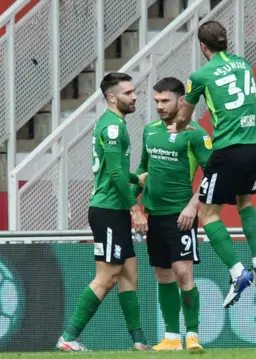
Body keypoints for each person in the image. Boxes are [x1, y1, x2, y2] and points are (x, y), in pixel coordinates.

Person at [169, 20, 256, 308]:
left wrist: (175, 127)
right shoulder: (244, 64)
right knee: (245, 204)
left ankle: (238, 272)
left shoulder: (200, 75)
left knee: (208, 213)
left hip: (228, 150)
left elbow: (184, 117)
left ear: (203, 46)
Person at [57, 72, 150, 352]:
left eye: (134, 92)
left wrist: (136, 180)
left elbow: (118, 172)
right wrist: (135, 208)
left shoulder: (115, 124)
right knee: (108, 276)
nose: (134, 97)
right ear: (112, 98)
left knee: (129, 273)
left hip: (114, 208)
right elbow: (112, 172)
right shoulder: (112, 128)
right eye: (128, 93)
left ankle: (139, 341)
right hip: (109, 210)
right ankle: (69, 337)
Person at [132, 77, 212, 351]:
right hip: (154, 215)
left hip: (181, 216)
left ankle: (192, 335)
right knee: (163, 275)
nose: (159, 106)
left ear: (181, 101)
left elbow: (212, 174)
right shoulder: (150, 131)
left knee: (182, 273)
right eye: (156, 101)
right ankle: (171, 338)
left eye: (164, 100)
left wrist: (193, 205)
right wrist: (134, 206)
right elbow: (143, 168)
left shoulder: (196, 134)